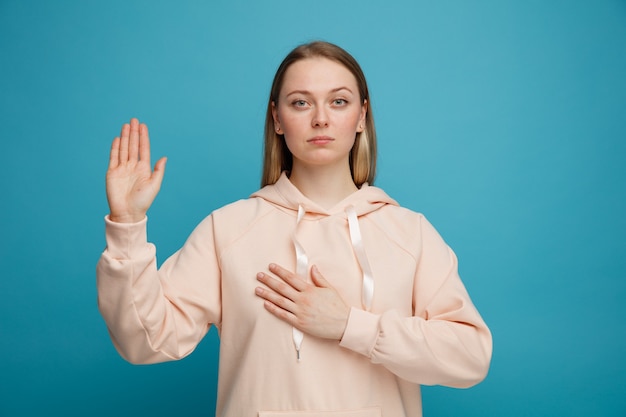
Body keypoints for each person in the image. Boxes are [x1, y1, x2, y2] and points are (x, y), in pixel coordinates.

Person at [97, 41, 492, 417]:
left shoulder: (409, 233)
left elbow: (470, 357)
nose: (320, 117)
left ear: (361, 117)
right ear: (277, 119)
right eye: (300, 103)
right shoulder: (228, 229)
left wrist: (350, 326)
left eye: (338, 101)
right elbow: (144, 341)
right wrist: (128, 226)